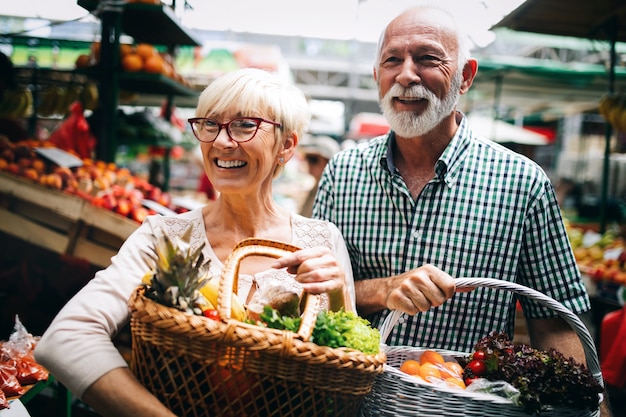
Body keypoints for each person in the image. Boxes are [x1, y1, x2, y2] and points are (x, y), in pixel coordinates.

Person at [313, 6, 611, 414]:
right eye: (392, 60)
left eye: (428, 58)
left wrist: (587, 409)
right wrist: (382, 289)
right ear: (376, 75)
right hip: (353, 403)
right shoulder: (343, 172)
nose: (406, 75)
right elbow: (312, 296)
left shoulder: (522, 183)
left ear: (465, 76)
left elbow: (556, 321)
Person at [34, 68, 360, 417]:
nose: (221, 142)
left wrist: (338, 295)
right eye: (209, 124)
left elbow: (346, 370)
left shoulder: (321, 240)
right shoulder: (164, 237)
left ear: (287, 146)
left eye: (244, 125)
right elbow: (65, 338)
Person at [298, 134, 340, 217]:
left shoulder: (330, 190)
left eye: (313, 160)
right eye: (308, 158)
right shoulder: (317, 185)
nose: (309, 164)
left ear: (328, 162)